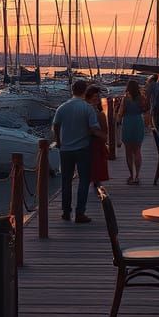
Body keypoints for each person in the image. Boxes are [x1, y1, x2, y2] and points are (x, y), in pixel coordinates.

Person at [52, 80, 105, 224]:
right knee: (84, 181)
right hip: (82, 148)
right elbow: (94, 128)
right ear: (85, 91)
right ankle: (80, 213)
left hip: (65, 150)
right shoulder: (87, 108)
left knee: (66, 181)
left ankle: (66, 211)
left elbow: (56, 126)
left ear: (72, 90)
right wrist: (104, 138)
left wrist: (58, 140)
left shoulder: (62, 107)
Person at [118, 79, 147, 185]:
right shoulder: (141, 98)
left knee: (128, 152)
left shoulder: (125, 98)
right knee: (138, 150)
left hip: (128, 122)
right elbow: (145, 110)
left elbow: (121, 112)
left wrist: (117, 121)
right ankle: (137, 175)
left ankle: (131, 175)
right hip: (138, 121)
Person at [85, 85, 110, 193]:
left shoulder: (99, 113)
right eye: (93, 97)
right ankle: (93, 180)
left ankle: (97, 181)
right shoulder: (86, 110)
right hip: (88, 140)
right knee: (91, 162)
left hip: (97, 140)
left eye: (97, 97)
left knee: (98, 162)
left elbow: (104, 130)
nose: (96, 99)